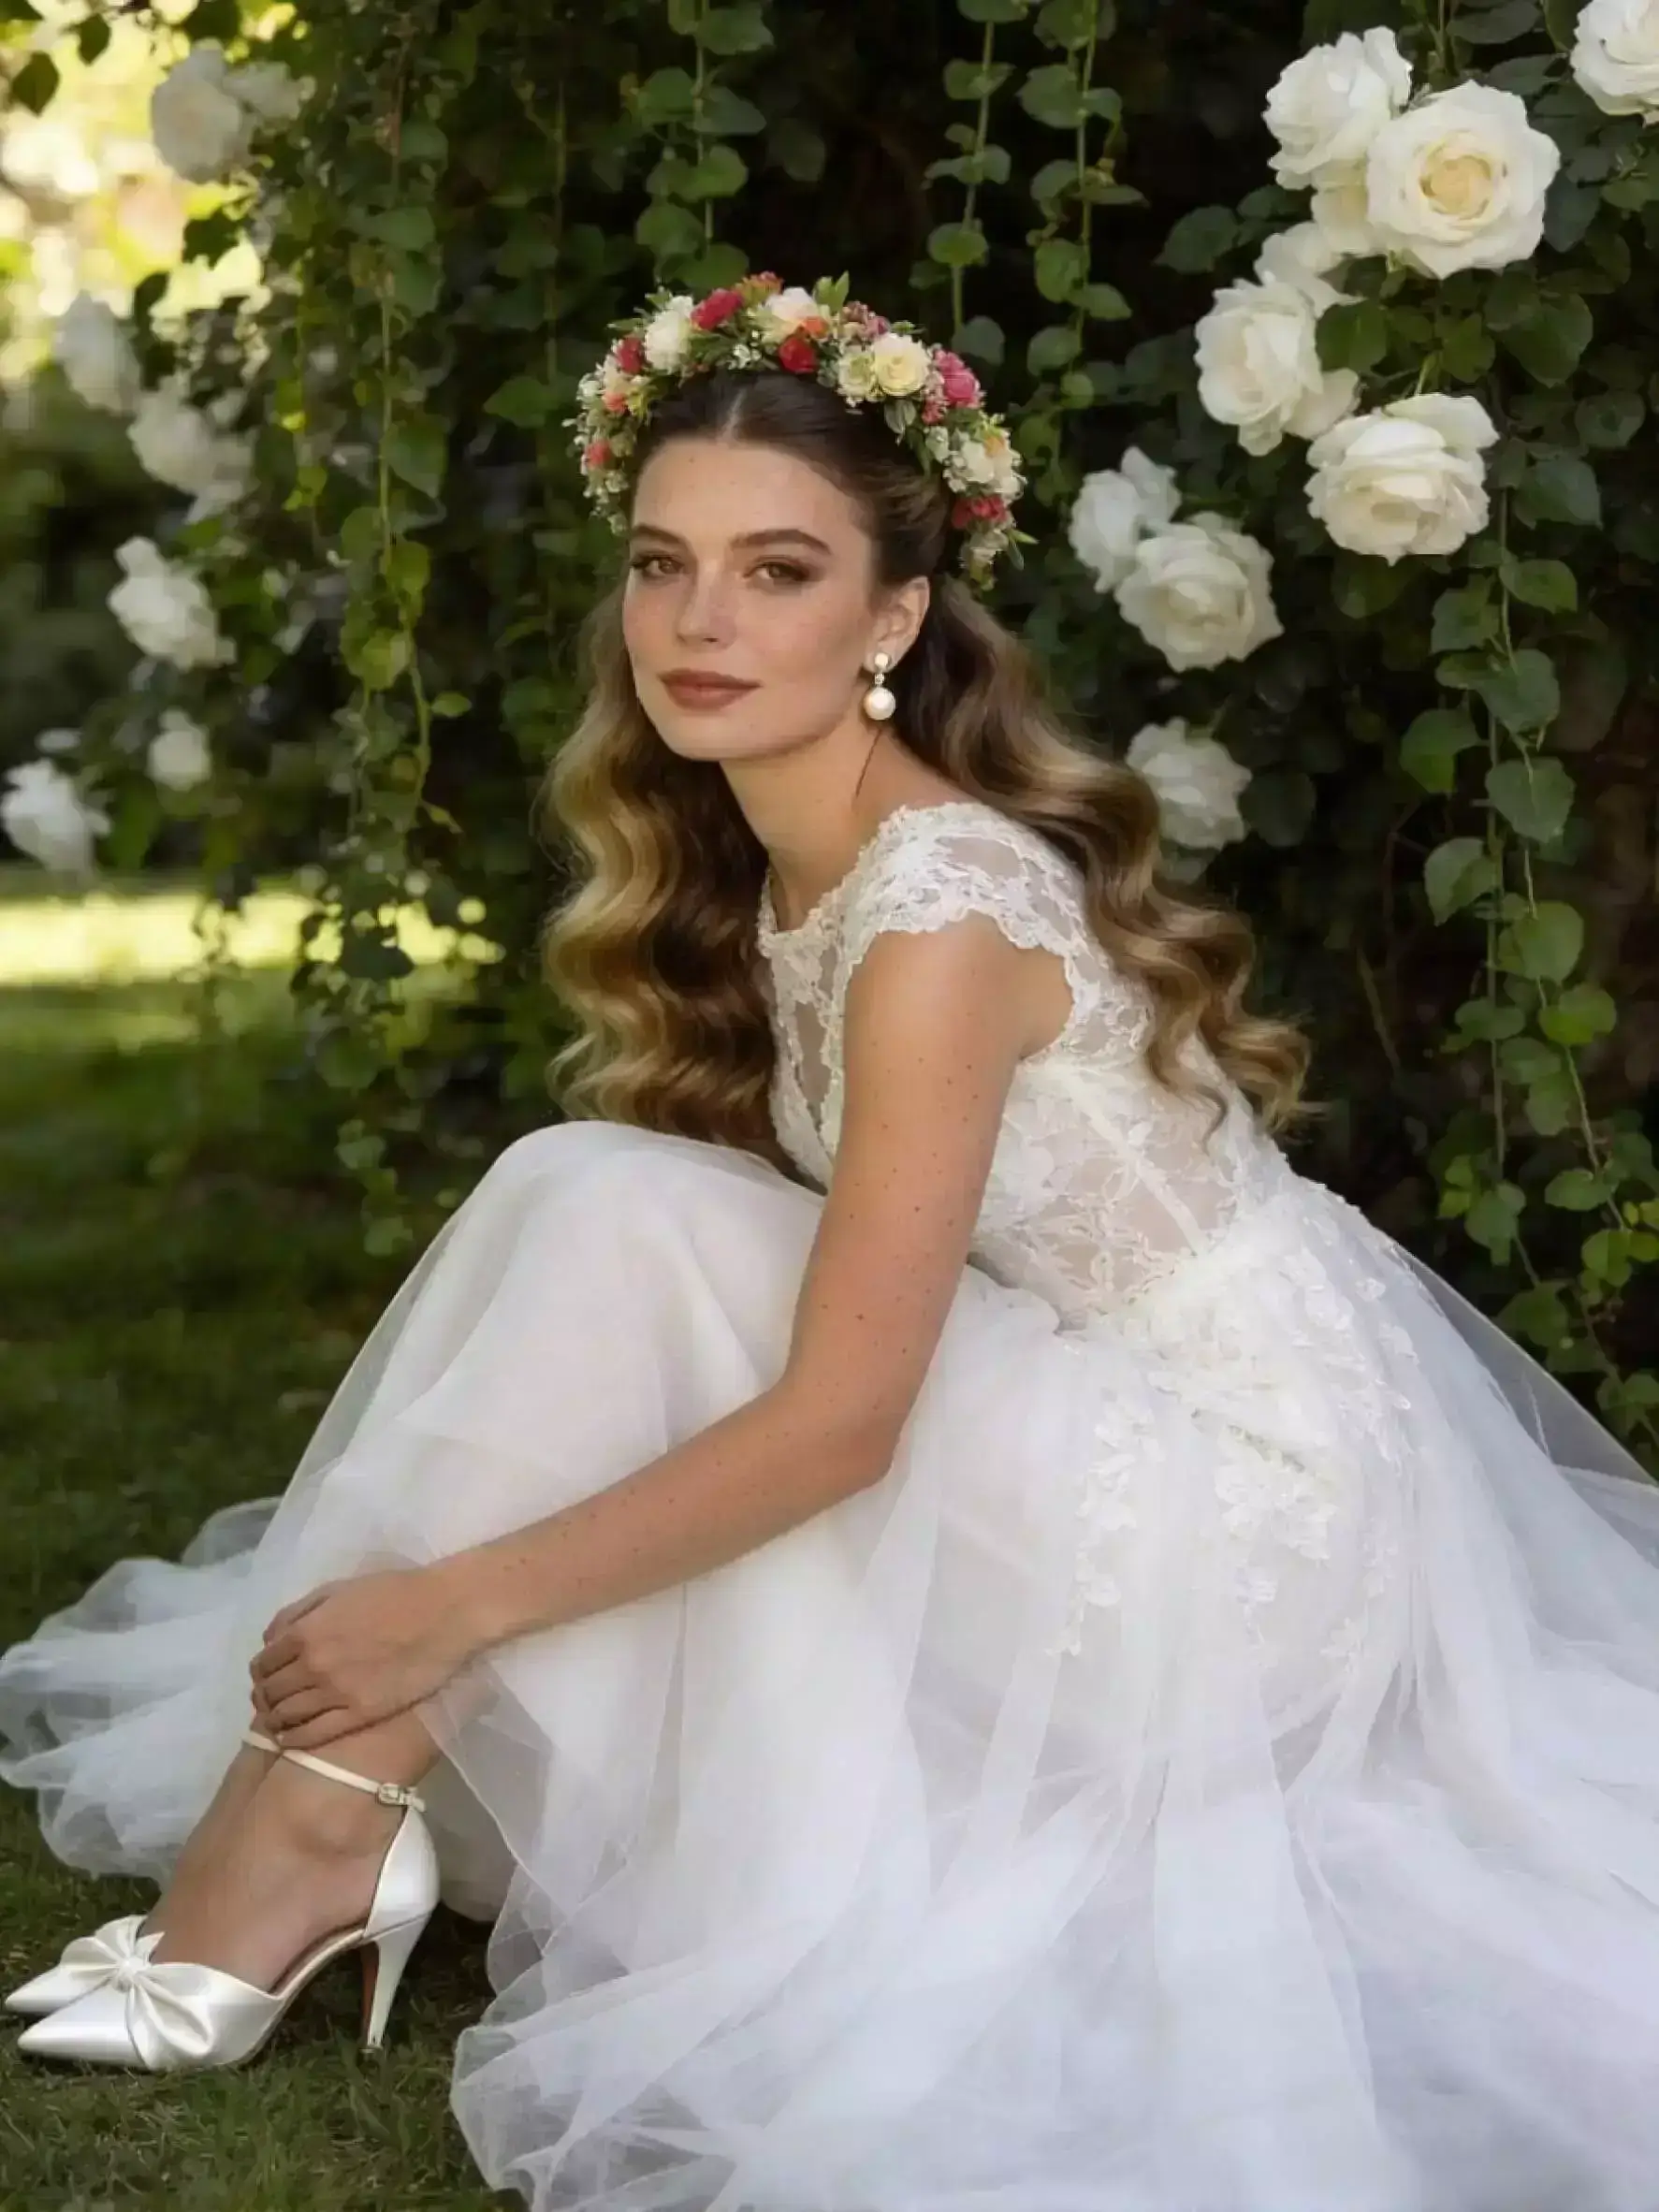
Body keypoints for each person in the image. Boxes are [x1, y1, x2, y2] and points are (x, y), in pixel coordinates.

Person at [5, 271, 1659, 2212]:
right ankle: (321, 1817)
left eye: (776, 571)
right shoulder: (803, 865)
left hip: (1240, 1537)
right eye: (661, 564)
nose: (700, 623)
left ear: (891, 617)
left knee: (601, 1208)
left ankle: (303, 1834)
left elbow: (842, 1424)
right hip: (1100, 1419)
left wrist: (448, 1602)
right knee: (599, 1197)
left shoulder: (940, 905)